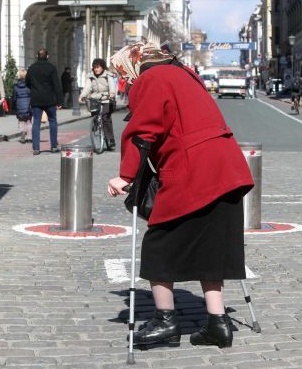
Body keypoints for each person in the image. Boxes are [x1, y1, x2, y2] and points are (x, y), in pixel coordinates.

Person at [107, 40, 254, 349]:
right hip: (226, 166)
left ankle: (165, 322)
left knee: (159, 242)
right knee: (213, 246)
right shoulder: (184, 72)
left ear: (132, 63)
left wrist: (125, 176)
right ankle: (218, 323)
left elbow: (143, 131)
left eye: (124, 73)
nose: (127, 80)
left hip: (192, 168)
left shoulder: (151, 78)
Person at [26, 48, 64, 155]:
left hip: (36, 99)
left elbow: (27, 82)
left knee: (36, 122)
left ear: (36, 56)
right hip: (50, 99)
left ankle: (36, 148)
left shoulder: (32, 68)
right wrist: (60, 101)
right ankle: (53, 145)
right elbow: (57, 85)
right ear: (47, 56)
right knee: (52, 121)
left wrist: (34, 89)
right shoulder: (51, 68)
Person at [79, 58, 117, 150]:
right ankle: (96, 129)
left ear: (102, 67)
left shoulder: (107, 75)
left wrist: (112, 93)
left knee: (105, 117)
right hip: (95, 98)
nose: (96, 69)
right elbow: (87, 87)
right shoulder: (90, 76)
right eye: (94, 67)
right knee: (95, 116)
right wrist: (82, 95)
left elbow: (112, 85)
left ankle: (110, 139)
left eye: (98, 67)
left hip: (106, 98)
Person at [12, 69, 32, 144]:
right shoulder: (29, 86)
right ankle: (29, 137)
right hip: (28, 106)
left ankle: (22, 134)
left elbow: (14, 98)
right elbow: (32, 95)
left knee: (21, 122)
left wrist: (14, 107)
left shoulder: (15, 86)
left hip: (19, 106)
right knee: (29, 122)